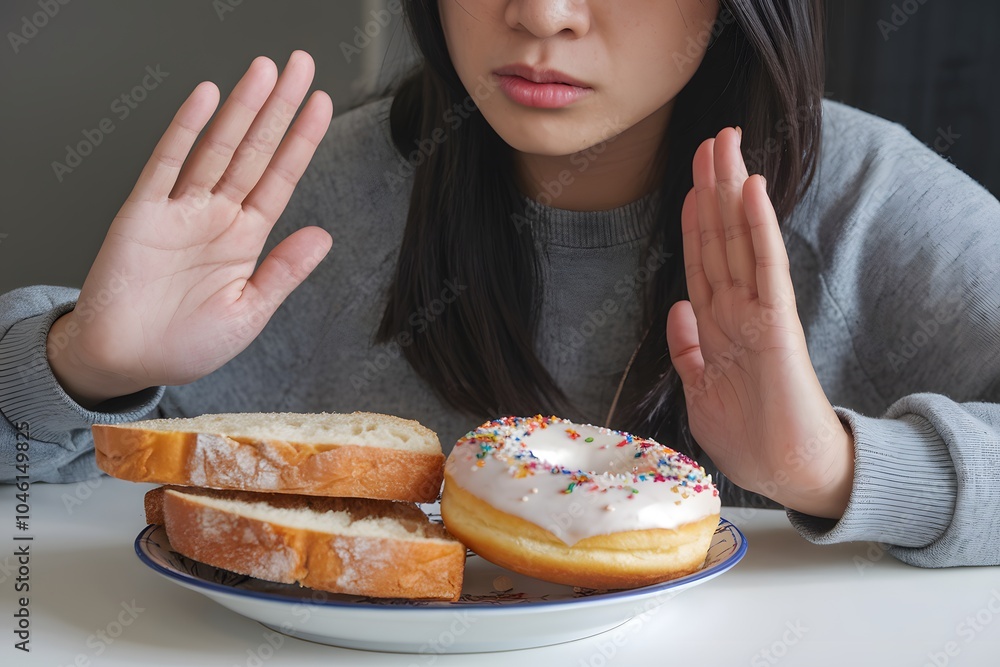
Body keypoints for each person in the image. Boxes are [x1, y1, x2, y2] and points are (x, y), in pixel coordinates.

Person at [1, 0, 998, 568]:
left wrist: (837, 469)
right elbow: (52, 510)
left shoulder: (867, 202)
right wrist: (82, 366)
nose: (540, 15)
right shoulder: (310, 209)